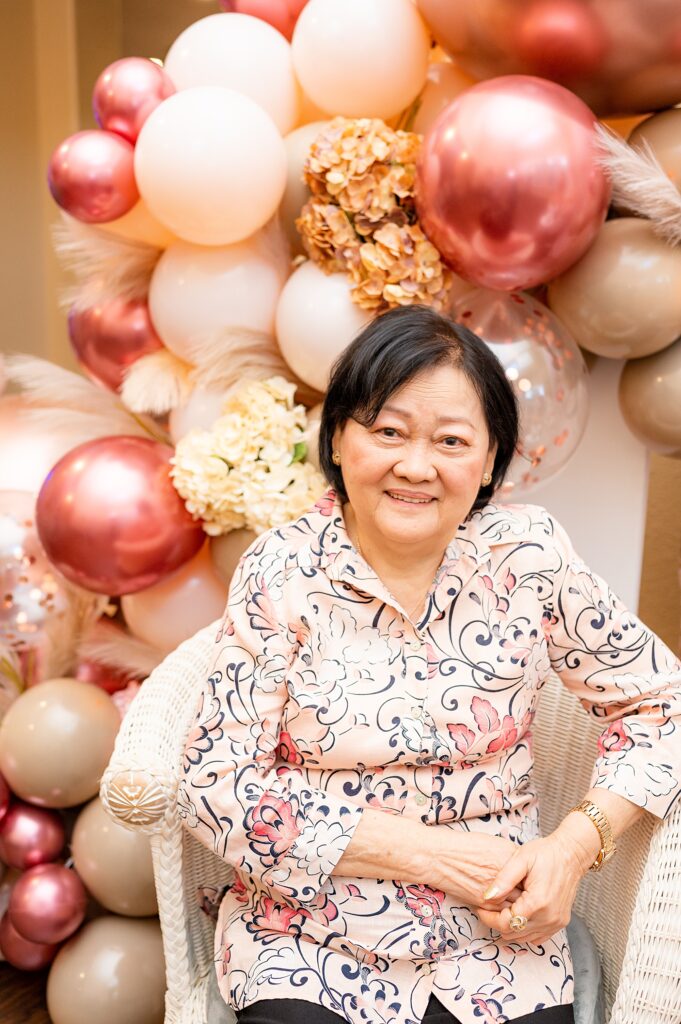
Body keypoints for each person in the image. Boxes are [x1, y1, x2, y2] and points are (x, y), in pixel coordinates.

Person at [178, 305, 681, 1024]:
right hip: (313, 940)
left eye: (450, 441)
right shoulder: (282, 568)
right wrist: (428, 857)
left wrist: (573, 847)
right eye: (387, 432)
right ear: (340, 440)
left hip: (502, 938)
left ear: (488, 463)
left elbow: (660, 702)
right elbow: (214, 783)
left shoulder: (527, 556)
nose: (415, 466)